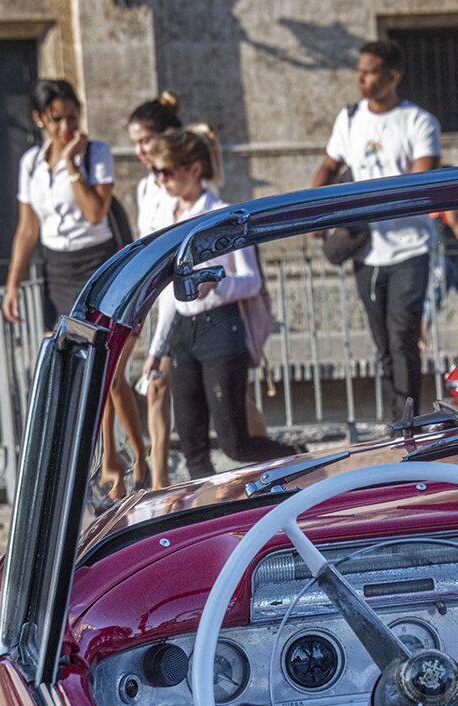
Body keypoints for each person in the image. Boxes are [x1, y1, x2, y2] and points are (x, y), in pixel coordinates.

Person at [3, 79, 147, 498]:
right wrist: (13, 283)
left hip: (100, 261)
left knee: (111, 371)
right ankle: (108, 462)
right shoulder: (30, 163)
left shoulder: (94, 153)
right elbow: (28, 227)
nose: (67, 125)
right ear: (40, 119)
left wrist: (71, 165)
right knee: (81, 371)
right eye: (57, 118)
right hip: (59, 270)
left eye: (72, 116)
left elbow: (94, 211)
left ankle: (135, 460)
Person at [140, 126, 300, 479]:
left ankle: (299, 461)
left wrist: (215, 285)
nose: (160, 180)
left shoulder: (224, 213)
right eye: (155, 172)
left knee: (234, 443)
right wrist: (156, 347)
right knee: (192, 445)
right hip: (184, 332)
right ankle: (201, 522)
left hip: (221, 329)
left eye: (166, 171)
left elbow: (252, 280)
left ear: (194, 169)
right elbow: (170, 291)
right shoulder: (167, 217)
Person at [311, 39, 441, 419]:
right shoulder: (349, 119)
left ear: (392, 77)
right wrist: (313, 211)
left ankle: (409, 425)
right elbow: (328, 166)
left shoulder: (418, 121)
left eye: (369, 72)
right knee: (383, 345)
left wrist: (370, 202)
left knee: (403, 340)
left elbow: (422, 181)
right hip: (367, 250)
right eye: (359, 71)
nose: (361, 79)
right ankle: (393, 424)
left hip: (409, 248)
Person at [127, 93, 183, 489]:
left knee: (163, 381)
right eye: (134, 144)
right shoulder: (146, 188)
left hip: (182, 294)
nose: (140, 151)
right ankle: (158, 479)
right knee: (160, 385)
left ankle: (160, 480)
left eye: (145, 141)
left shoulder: (179, 182)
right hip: (155, 293)